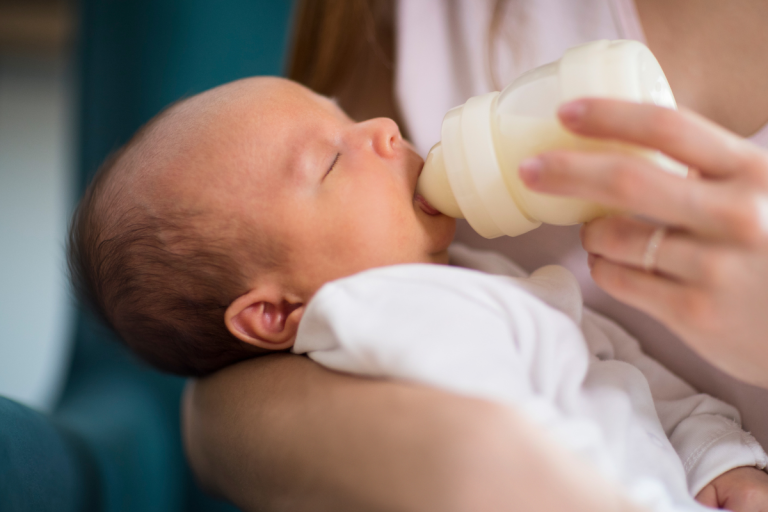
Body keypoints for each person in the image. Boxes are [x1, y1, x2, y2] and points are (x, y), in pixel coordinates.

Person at [71, 75, 768, 511]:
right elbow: (519, 453)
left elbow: (624, 368)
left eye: (345, 114)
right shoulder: (379, 321)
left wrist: (716, 457)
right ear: (275, 311)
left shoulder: (471, 273)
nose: (382, 130)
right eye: (330, 160)